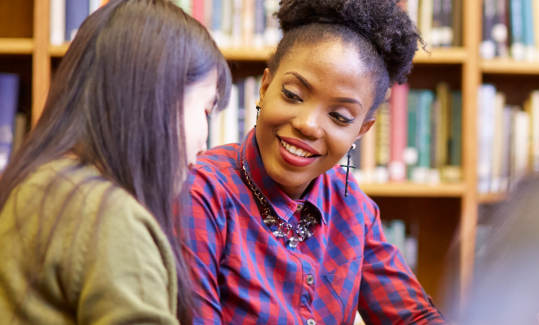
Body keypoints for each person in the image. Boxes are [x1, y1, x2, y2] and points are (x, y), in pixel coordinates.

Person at [181, 0, 446, 324]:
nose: (308, 124)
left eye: (339, 116)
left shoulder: (353, 208)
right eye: (293, 95)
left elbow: (413, 316)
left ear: (361, 131)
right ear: (265, 88)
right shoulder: (203, 193)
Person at [0, 0, 231, 323]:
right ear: (159, 97)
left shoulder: (38, 185)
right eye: (206, 110)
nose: (204, 143)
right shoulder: (105, 215)